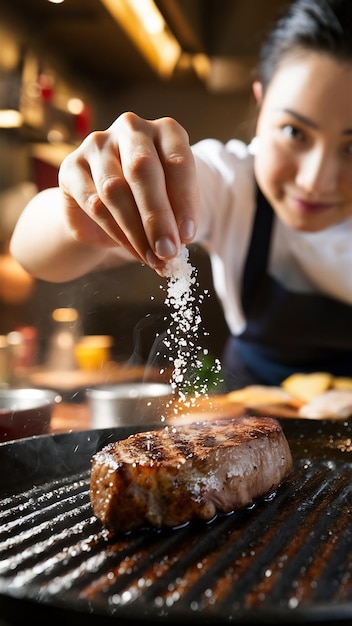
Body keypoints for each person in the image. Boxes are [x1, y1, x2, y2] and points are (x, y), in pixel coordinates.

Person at [10, 0, 352, 389]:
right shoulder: (230, 182)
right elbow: (29, 252)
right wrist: (81, 209)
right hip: (252, 426)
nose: (315, 181)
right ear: (259, 105)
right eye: (294, 132)